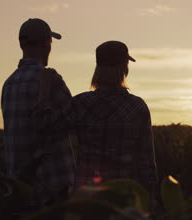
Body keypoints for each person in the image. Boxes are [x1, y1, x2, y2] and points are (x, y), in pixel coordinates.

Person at [33, 41, 158, 195]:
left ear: (97, 68)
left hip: (86, 197)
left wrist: (44, 92)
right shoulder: (138, 107)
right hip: (124, 197)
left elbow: (44, 126)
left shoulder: (81, 103)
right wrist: (149, 201)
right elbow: (147, 164)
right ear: (125, 68)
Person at [1, 18, 74, 206]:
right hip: (51, 187)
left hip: (19, 187)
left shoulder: (9, 84)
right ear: (45, 44)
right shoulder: (51, 80)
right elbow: (72, 121)